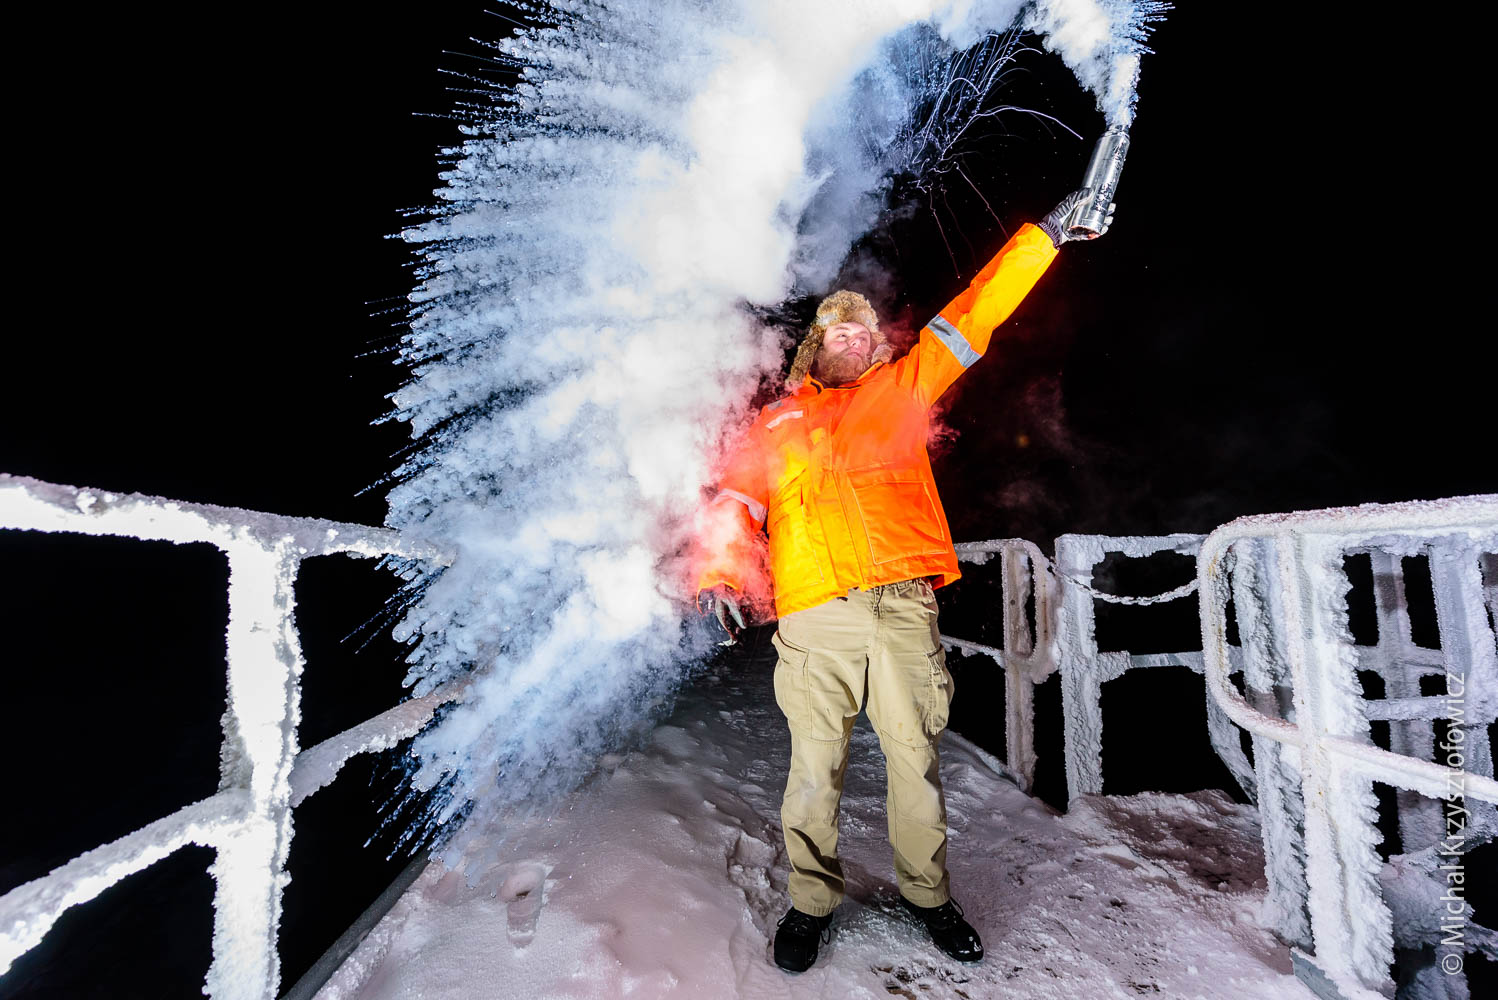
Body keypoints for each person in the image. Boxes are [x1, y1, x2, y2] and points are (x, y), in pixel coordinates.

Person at [695, 189, 1110, 973]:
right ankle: (811, 903)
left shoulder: (905, 388)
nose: (852, 337)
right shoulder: (776, 424)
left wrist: (1047, 236)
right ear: (814, 346)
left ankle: (929, 896)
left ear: (875, 346)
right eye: (837, 328)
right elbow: (736, 504)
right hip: (816, 615)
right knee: (814, 769)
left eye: (863, 330)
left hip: (902, 608)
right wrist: (719, 574)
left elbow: (977, 312)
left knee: (915, 760)